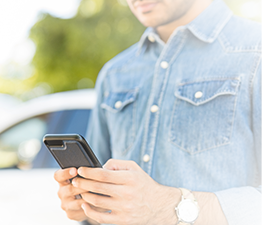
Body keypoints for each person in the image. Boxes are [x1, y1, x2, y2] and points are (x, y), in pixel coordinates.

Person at [54, 0, 261, 224]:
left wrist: (169, 207)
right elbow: (101, 198)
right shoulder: (114, 73)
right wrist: (89, 205)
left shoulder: (256, 52)